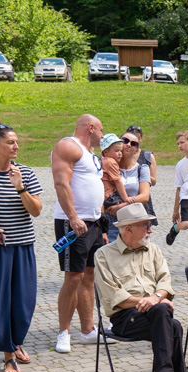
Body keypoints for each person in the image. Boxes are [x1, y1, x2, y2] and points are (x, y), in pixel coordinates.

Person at [94, 204, 188, 372]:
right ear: (128, 229)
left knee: (170, 321)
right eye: (146, 225)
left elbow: (165, 283)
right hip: (124, 318)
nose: (151, 230)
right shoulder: (103, 255)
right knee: (171, 323)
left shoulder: (154, 250)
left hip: (156, 314)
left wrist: (155, 298)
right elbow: (115, 298)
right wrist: (152, 301)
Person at [0, 118, 43, 372]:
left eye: (17, 142)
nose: (16, 146)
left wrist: (20, 189)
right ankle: (8, 356)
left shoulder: (25, 172)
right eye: (10, 142)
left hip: (23, 247)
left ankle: (16, 342)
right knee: (0, 304)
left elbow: (36, 211)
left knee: (24, 302)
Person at [52, 114, 109, 354]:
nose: (103, 136)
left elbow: (98, 190)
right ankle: (63, 332)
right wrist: (73, 218)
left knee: (88, 276)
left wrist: (103, 228)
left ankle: (87, 330)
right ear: (91, 127)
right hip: (73, 224)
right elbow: (61, 184)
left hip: (94, 224)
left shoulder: (93, 157)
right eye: (101, 130)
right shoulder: (68, 146)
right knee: (73, 278)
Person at [104, 130, 152, 242]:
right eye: (125, 141)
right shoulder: (107, 166)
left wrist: (121, 206)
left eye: (133, 143)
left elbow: (145, 196)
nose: (128, 145)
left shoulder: (142, 168)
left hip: (133, 221)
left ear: (136, 150)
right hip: (111, 221)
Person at [99, 134, 126, 212]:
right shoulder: (111, 162)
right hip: (108, 196)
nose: (120, 153)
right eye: (116, 151)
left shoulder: (102, 161)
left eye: (121, 150)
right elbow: (117, 182)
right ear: (106, 152)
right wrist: (126, 198)